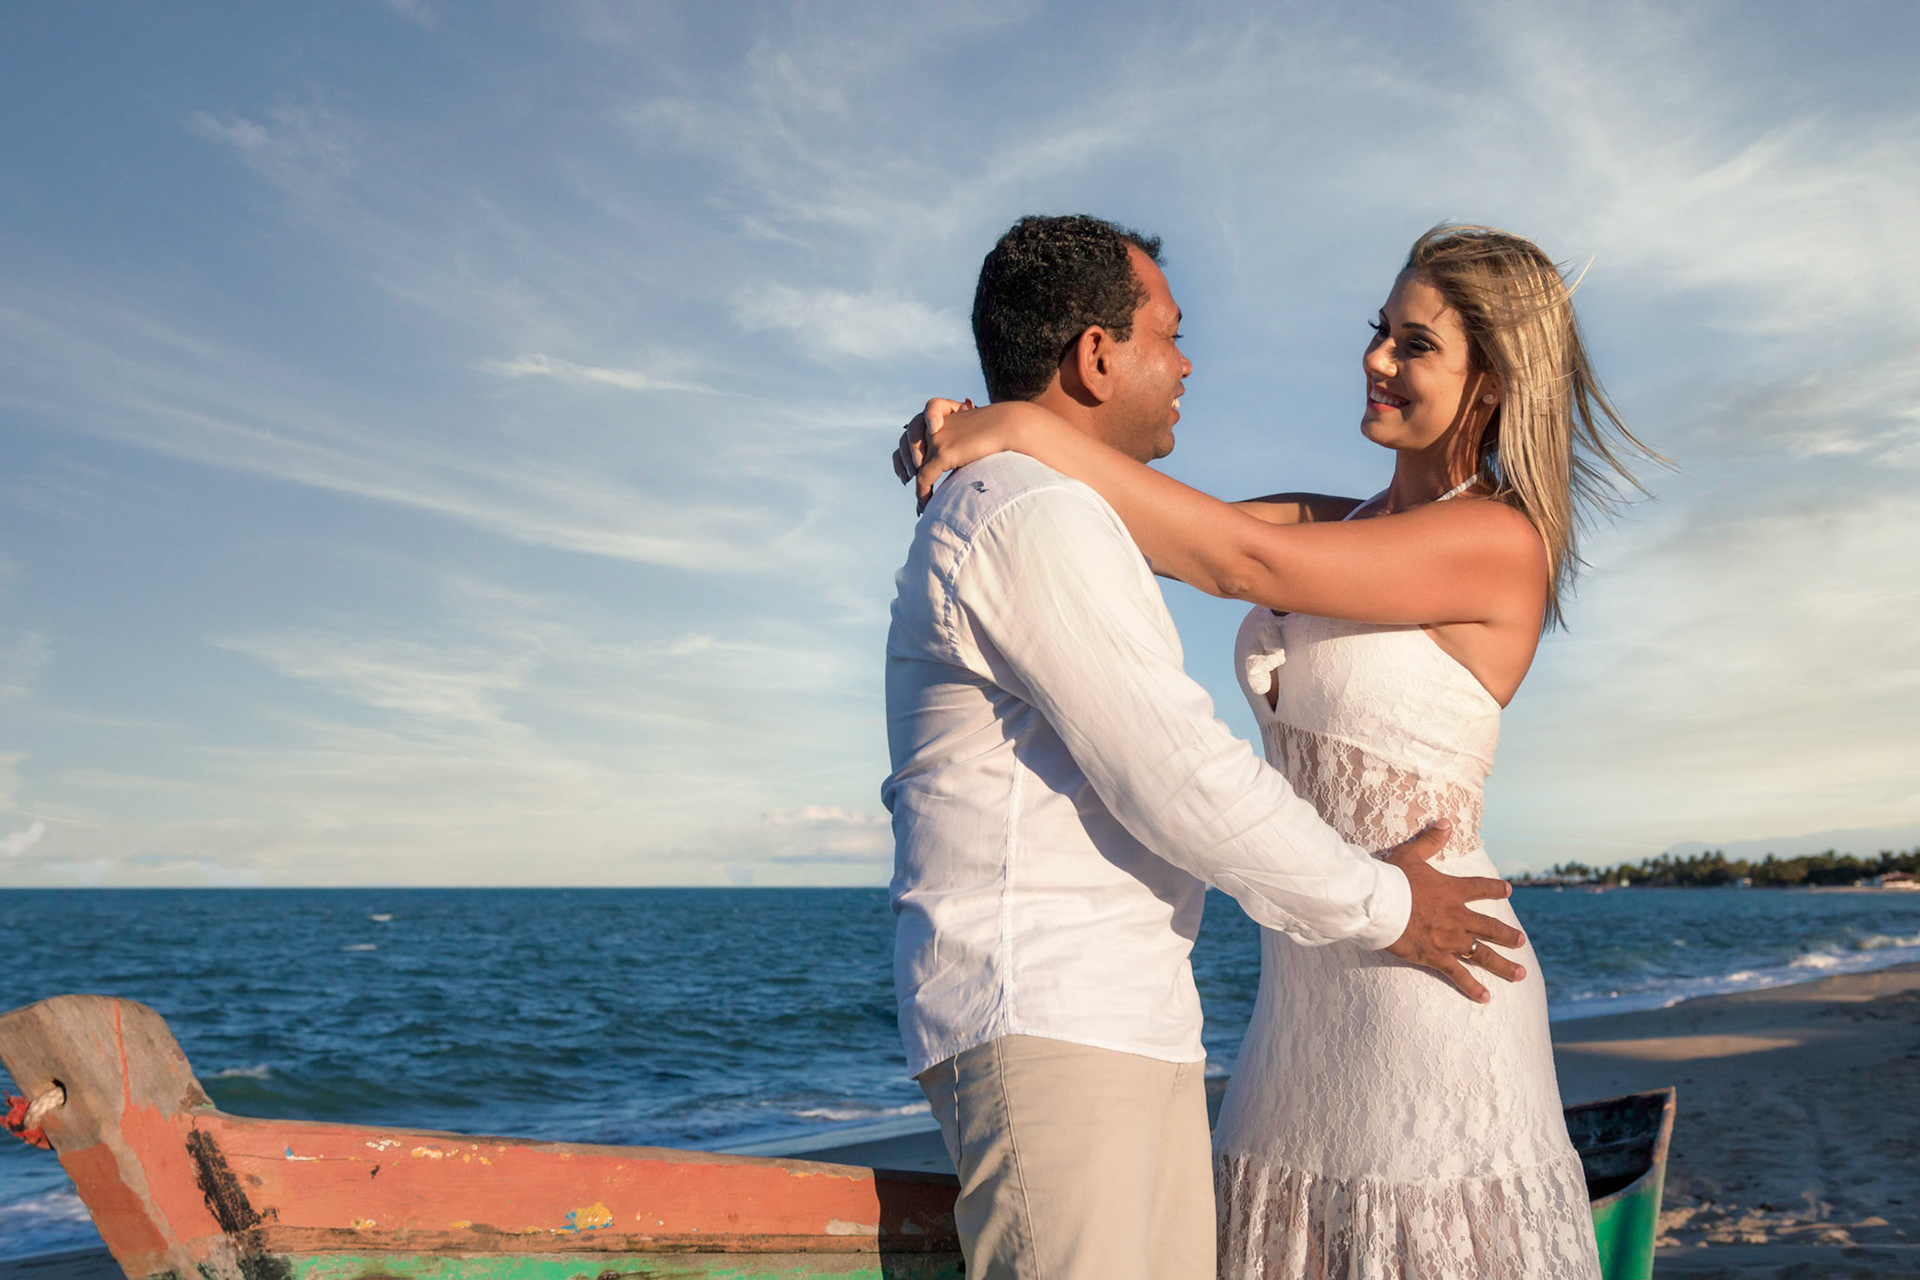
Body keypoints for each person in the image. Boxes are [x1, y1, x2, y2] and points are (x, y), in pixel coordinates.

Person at [900, 224, 1660, 1279]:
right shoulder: (1336, 520)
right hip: (1302, 1005)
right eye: (1378, 332)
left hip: (1434, 974)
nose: (1377, 360)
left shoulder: (1498, 541)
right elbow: (1140, 527)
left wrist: (1012, 422)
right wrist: (1002, 435)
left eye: (1416, 344)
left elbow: (1235, 558)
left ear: (1493, 383)